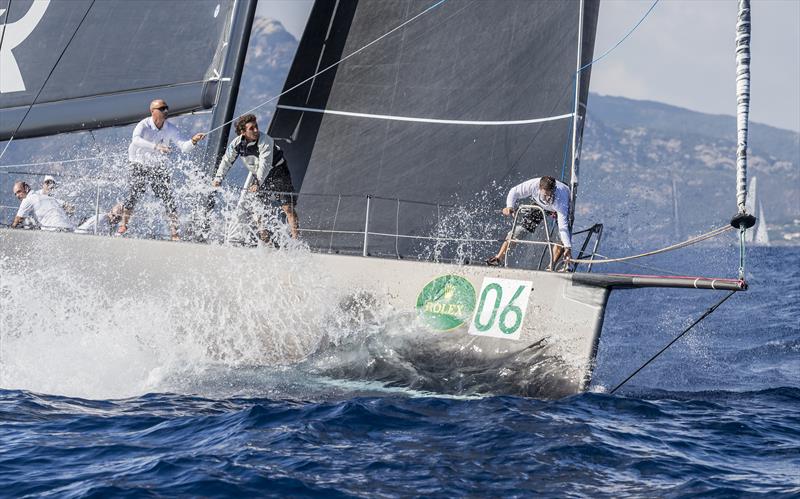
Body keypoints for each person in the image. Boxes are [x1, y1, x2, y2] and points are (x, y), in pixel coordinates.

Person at [118, 99, 205, 240]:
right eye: (162, 108)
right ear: (153, 111)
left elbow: (184, 146)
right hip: (138, 162)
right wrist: (156, 146)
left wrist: (193, 141)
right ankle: (123, 225)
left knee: (168, 198)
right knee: (134, 193)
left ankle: (174, 233)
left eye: (166, 108)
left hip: (157, 165)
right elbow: (136, 140)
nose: (165, 111)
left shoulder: (171, 128)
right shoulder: (144, 125)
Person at [212, 113, 299, 242]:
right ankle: (265, 240)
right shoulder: (236, 143)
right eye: (251, 128)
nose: (256, 130)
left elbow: (265, 164)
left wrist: (257, 183)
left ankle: (296, 241)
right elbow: (226, 160)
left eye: (256, 126)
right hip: (258, 174)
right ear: (242, 132)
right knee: (257, 207)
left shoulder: (265, 140)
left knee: (287, 207)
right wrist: (218, 178)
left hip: (278, 171)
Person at [487, 176, 573, 270]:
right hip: (539, 205)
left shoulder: (561, 198)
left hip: (557, 210)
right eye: (545, 195)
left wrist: (567, 247)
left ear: (554, 190)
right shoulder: (533, 185)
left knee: (561, 238)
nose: (548, 198)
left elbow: (562, 226)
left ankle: (551, 267)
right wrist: (510, 206)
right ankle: (498, 258)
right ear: (539, 188)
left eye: (550, 195)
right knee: (520, 230)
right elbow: (514, 191)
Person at [11, 181, 75, 231]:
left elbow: (18, 220)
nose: (17, 196)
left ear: (26, 188)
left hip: (55, 230)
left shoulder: (28, 199)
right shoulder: (48, 197)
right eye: (15, 194)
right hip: (69, 229)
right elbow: (71, 208)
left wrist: (9, 231)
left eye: (19, 191)